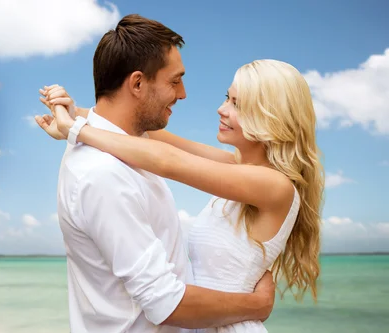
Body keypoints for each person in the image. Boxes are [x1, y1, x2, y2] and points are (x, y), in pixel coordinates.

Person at [37, 57, 325, 332]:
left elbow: (167, 160)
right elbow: (155, 137)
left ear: (270, 116)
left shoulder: (274, 186)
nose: (222, 109)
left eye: (238, 104)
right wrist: (75, 112)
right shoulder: (237, 168)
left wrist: (76, 130)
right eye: (228, 97)